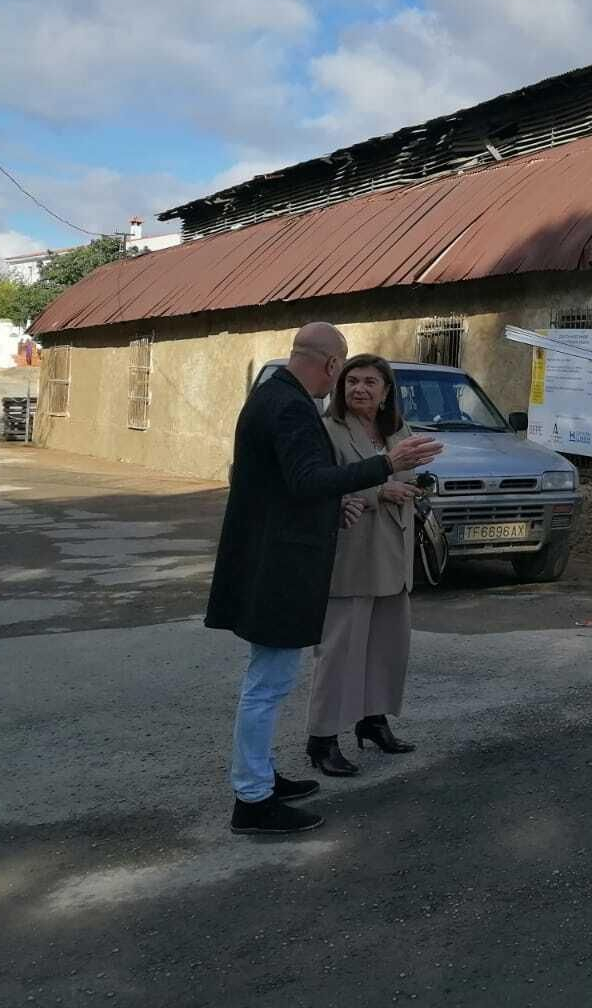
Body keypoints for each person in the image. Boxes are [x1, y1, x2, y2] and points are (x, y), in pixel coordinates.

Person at [206, 324, 443, 836]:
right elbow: (308, 479)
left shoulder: (274, 396)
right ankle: (252, 800)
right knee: (267, 686)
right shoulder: (290, 406)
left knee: (268, 680)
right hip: (278, 565)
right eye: (345, 374)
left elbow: (291, 488)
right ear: (333, 366)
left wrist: (337, 505)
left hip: (272, 556)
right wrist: (387, 465)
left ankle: (261, 778)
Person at [305, 355, 423, 778]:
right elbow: (320, 486)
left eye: (371, 382)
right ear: (340, 387)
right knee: (338, 650)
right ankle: (321, 738)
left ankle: (373, 721)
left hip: (394, 550)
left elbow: (408, 476)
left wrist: (413, 485)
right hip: (351, 554)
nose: (360, 388)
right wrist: (378, 493)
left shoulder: (396, 430)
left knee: (387, 645)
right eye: (352, 380)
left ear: (387, 391)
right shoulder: (328, 430)